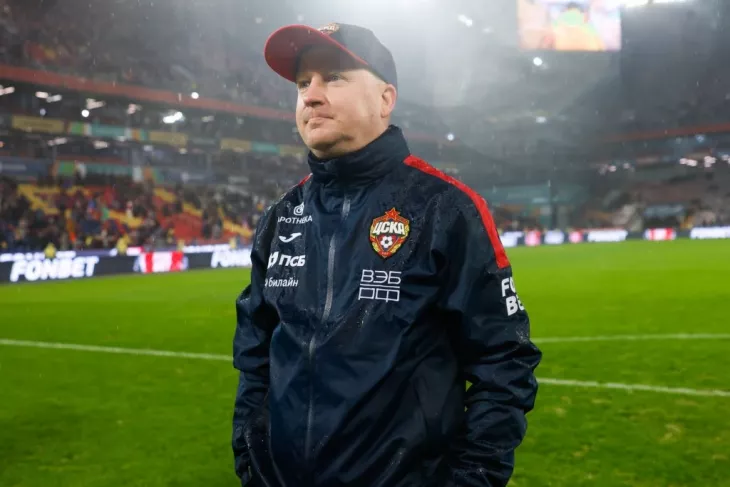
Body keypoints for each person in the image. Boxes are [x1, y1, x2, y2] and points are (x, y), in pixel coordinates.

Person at [232, 22, 542, 487]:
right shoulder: (282, 216)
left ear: (385, 99)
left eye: (334, 77)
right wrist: (251, 460)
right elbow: (254, 354)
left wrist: (471, 479)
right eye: (302, 83)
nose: (310, 96)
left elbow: (505, 362)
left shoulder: (445, 209)